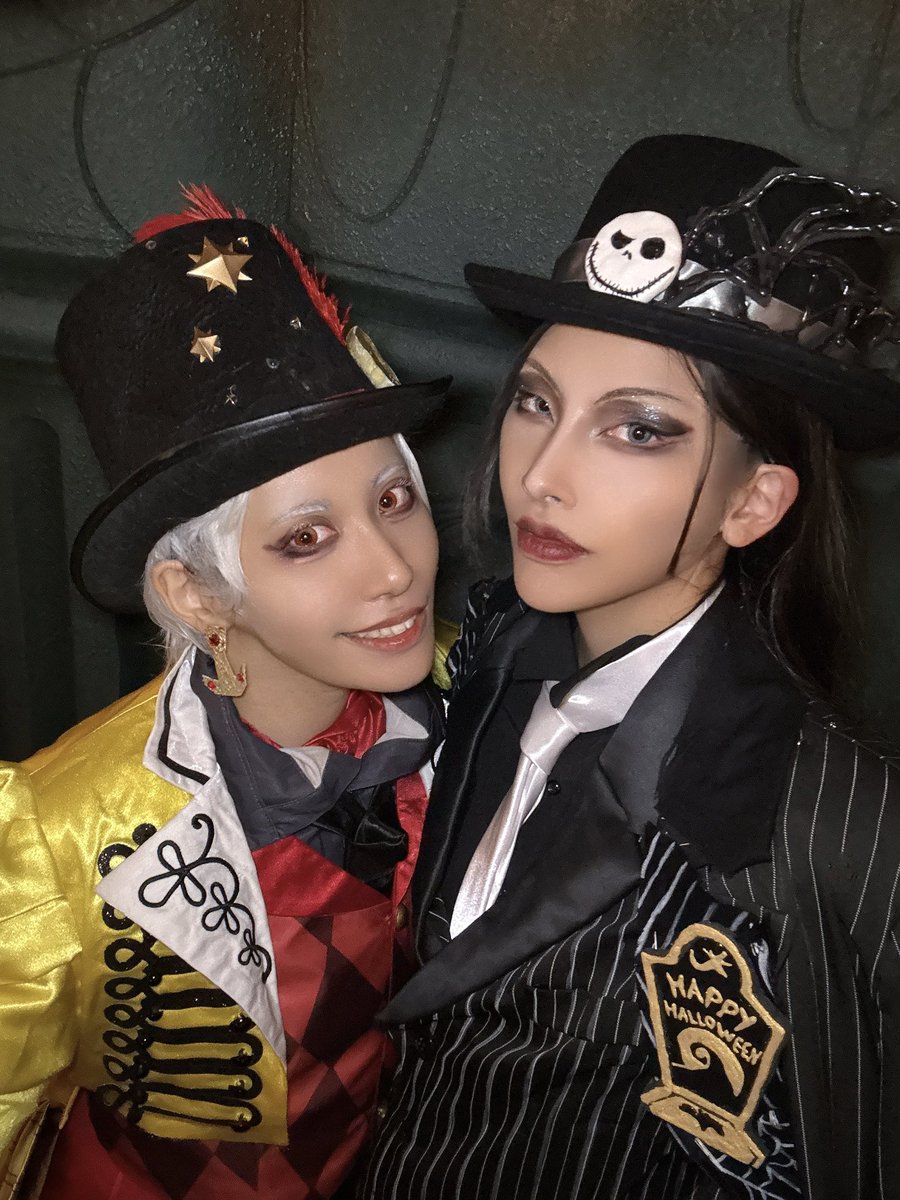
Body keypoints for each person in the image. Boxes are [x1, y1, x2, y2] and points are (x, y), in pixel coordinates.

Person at [361, 136, 900, 1200]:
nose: (542, 476)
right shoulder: (497, 645)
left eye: (639, 430)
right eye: (536, 402)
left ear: (756, 501)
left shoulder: (825, 835)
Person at [0, 186, 453, 1200]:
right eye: (307, 537)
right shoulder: (55, 836)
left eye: (394, 499)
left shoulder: (475, 693)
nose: (395, 569)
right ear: (196, 594)